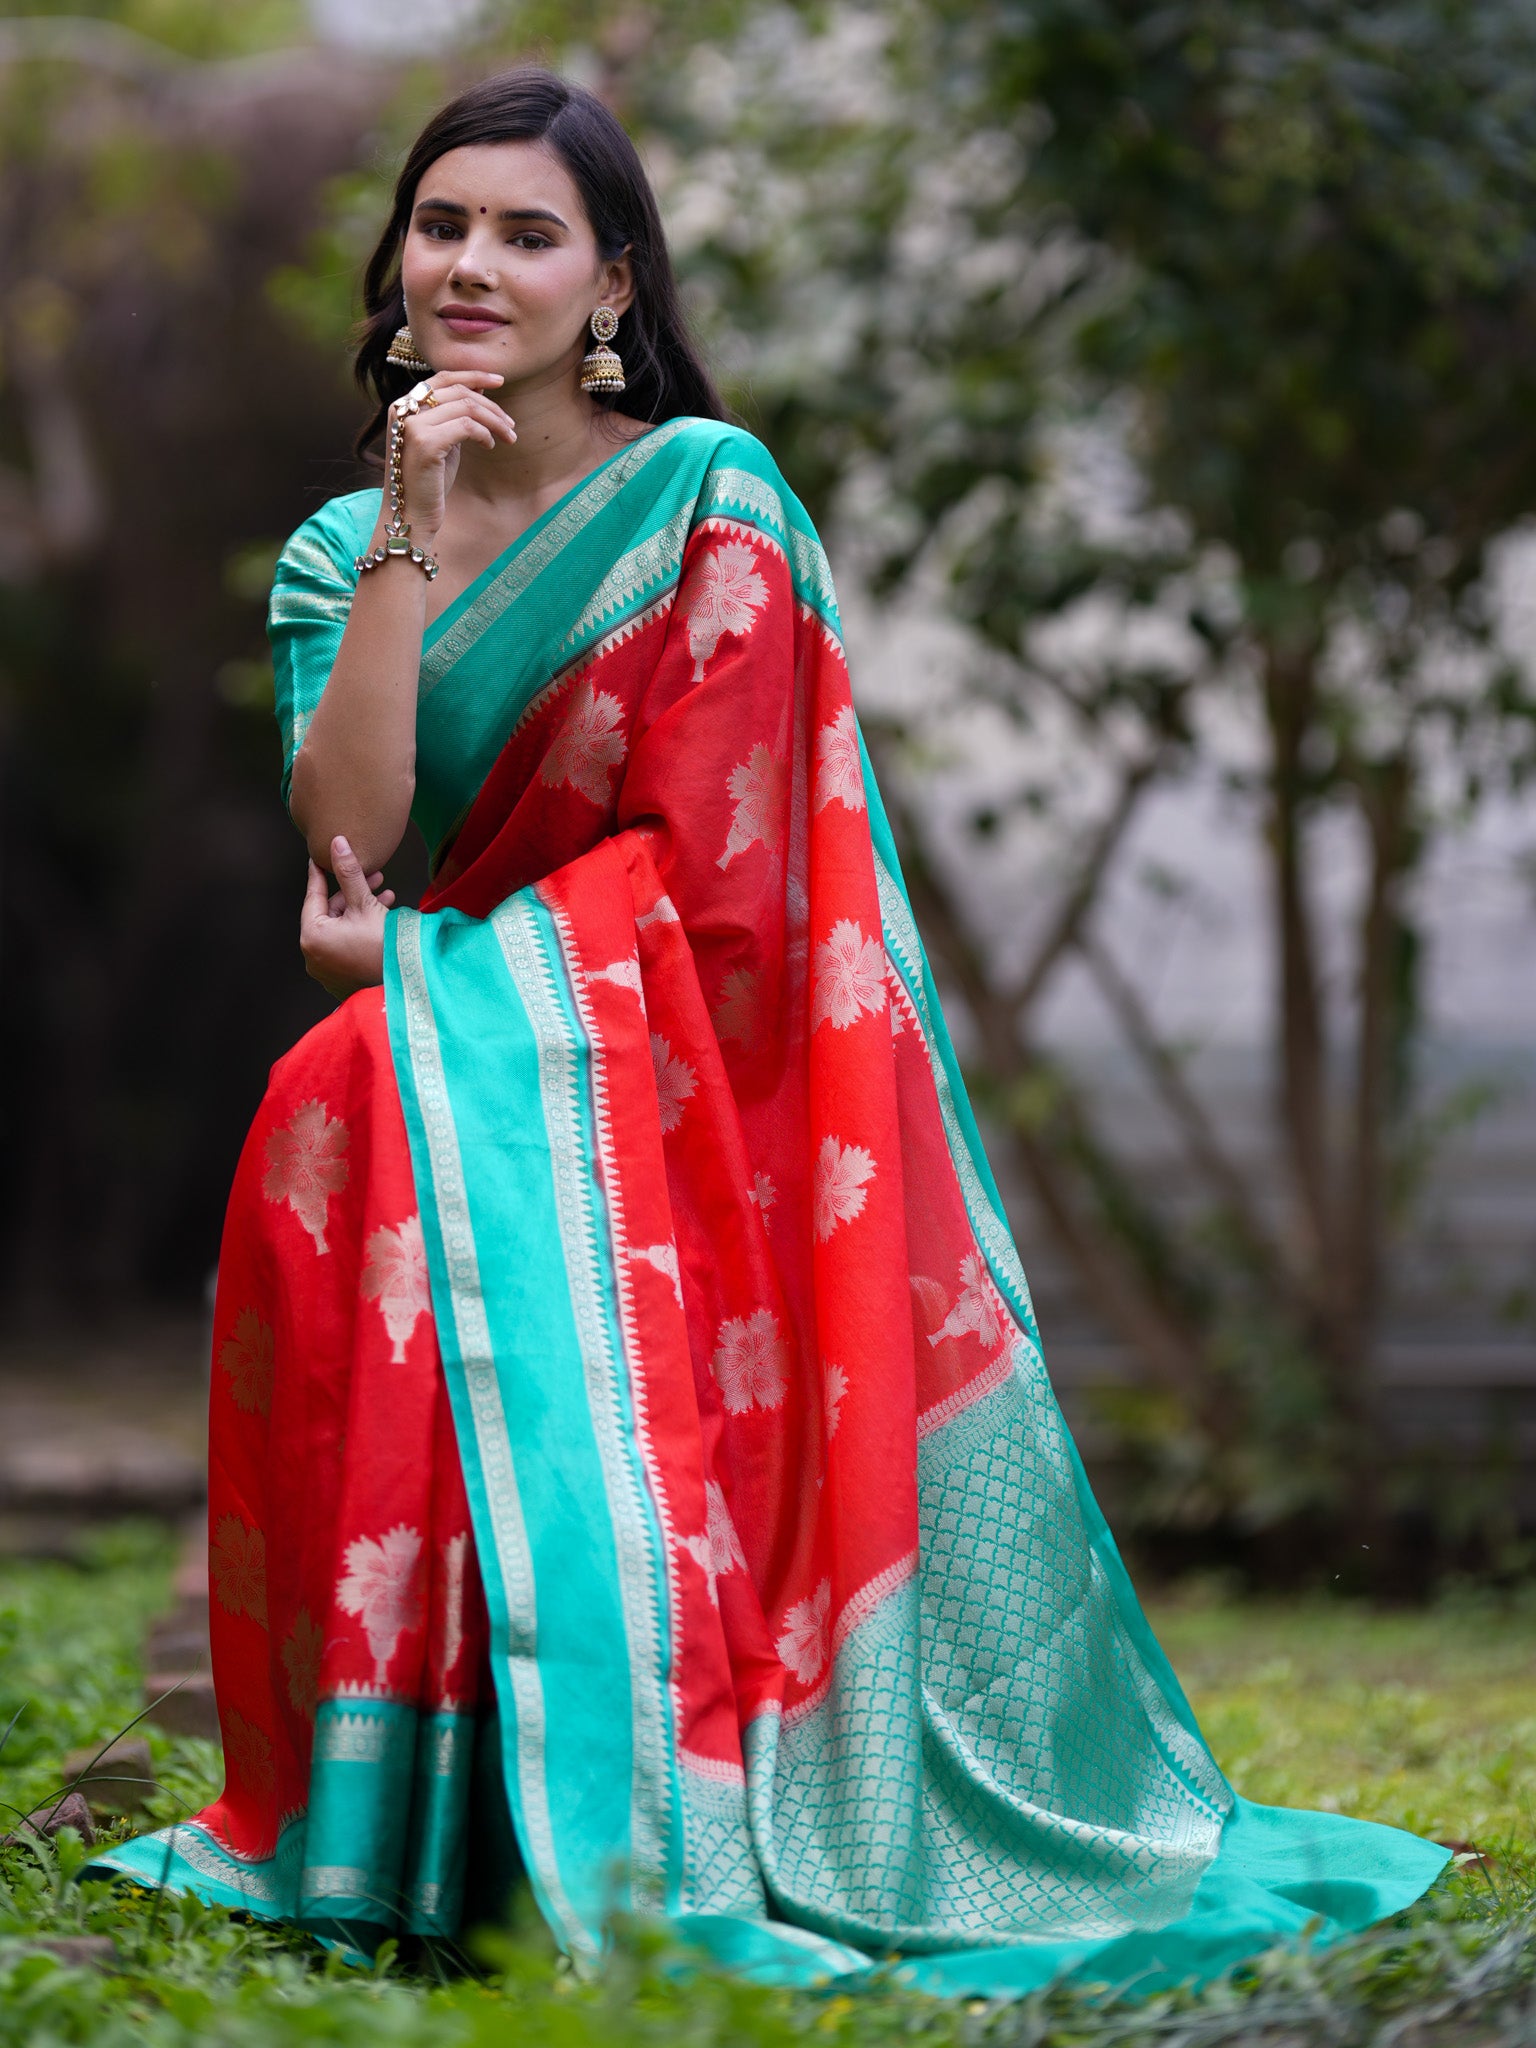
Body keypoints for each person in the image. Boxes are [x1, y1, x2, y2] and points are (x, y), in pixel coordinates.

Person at [89, 67, 1448, 1994]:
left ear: (613, 283)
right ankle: (411, 1812)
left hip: (689, 1060)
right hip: (488, 1026)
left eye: (528, 233)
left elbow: (738, 893)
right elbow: (356, 832)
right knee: (337, 1095)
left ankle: (644, 1791)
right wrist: (408, 517)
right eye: (446, 223)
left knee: (376, 1071)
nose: (476, 263)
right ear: (399, 258)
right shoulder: (340, 545)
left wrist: (437, 978)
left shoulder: (709, 503)